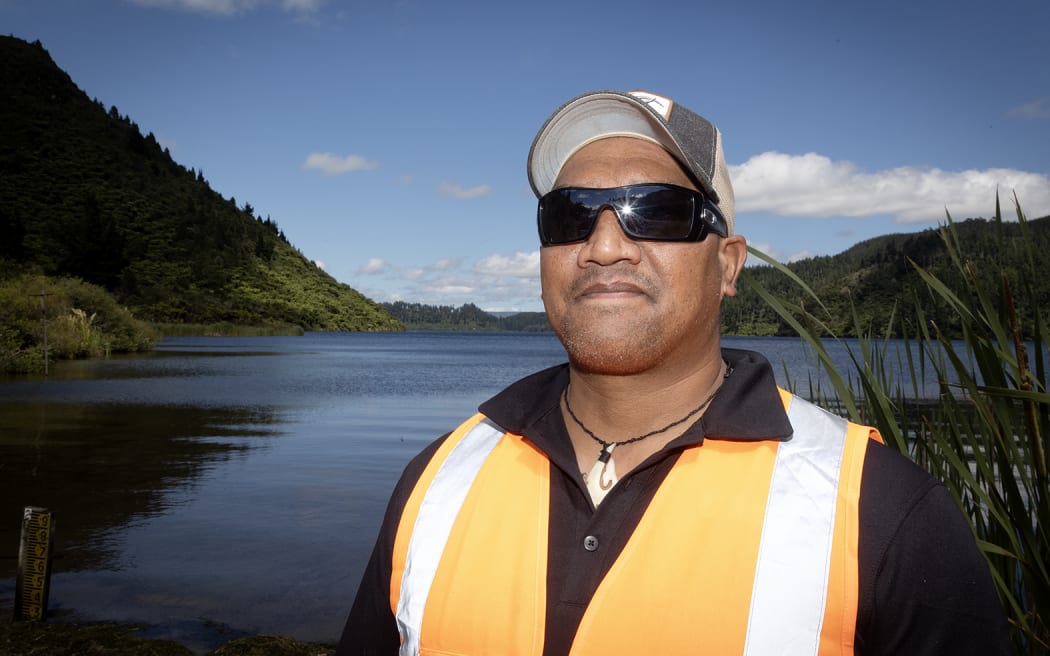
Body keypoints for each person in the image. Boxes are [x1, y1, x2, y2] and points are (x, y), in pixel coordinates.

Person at [335, 90, 1011, 655]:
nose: (603, 247)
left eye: (654, 211)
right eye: (569, 215)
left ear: (728, 264)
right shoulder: (438, 481)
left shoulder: (883, 514)